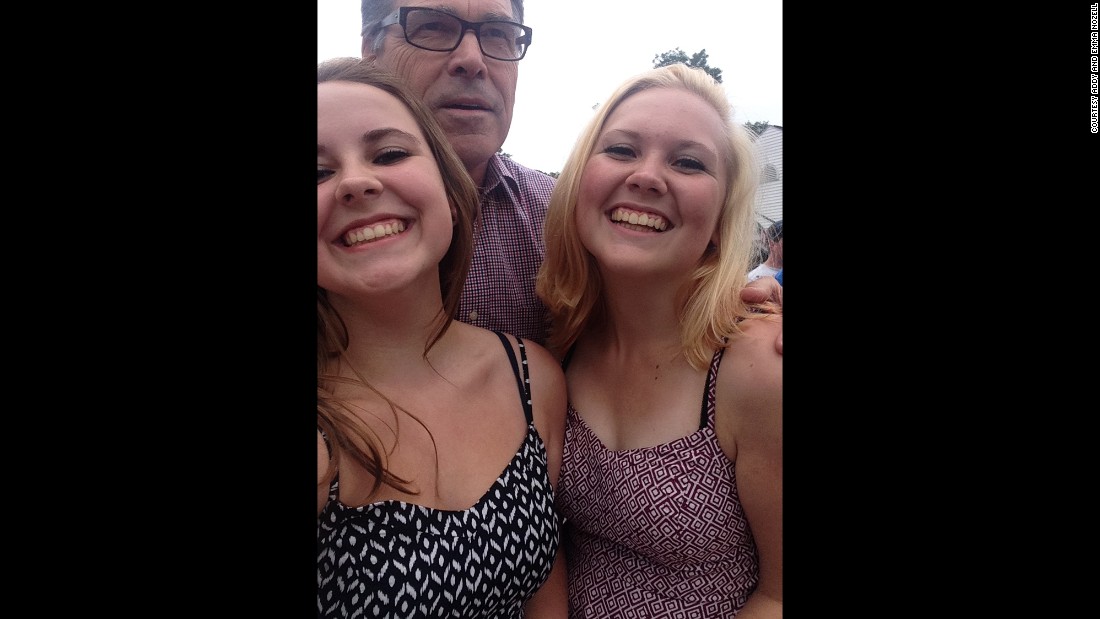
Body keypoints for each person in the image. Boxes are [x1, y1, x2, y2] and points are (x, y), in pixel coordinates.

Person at [356, 0, 783, 350]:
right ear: (370, 50)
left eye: (498, 36)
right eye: (431, 27)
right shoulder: (329, 223)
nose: (472, 60)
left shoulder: (568, 219)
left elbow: (658, 304)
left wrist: (739, 307)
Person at [316, 58, 568, 618]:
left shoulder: (532, 377)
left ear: (450, 192)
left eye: (390, 153)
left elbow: (546, 587)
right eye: (317, 174)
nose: (357, 182)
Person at [536, 64, 782, 617]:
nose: (648, 176)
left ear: (722, 217)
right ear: (579, 183)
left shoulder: (757, 367)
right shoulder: (560, 340)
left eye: (689, 162)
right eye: (621, 151)